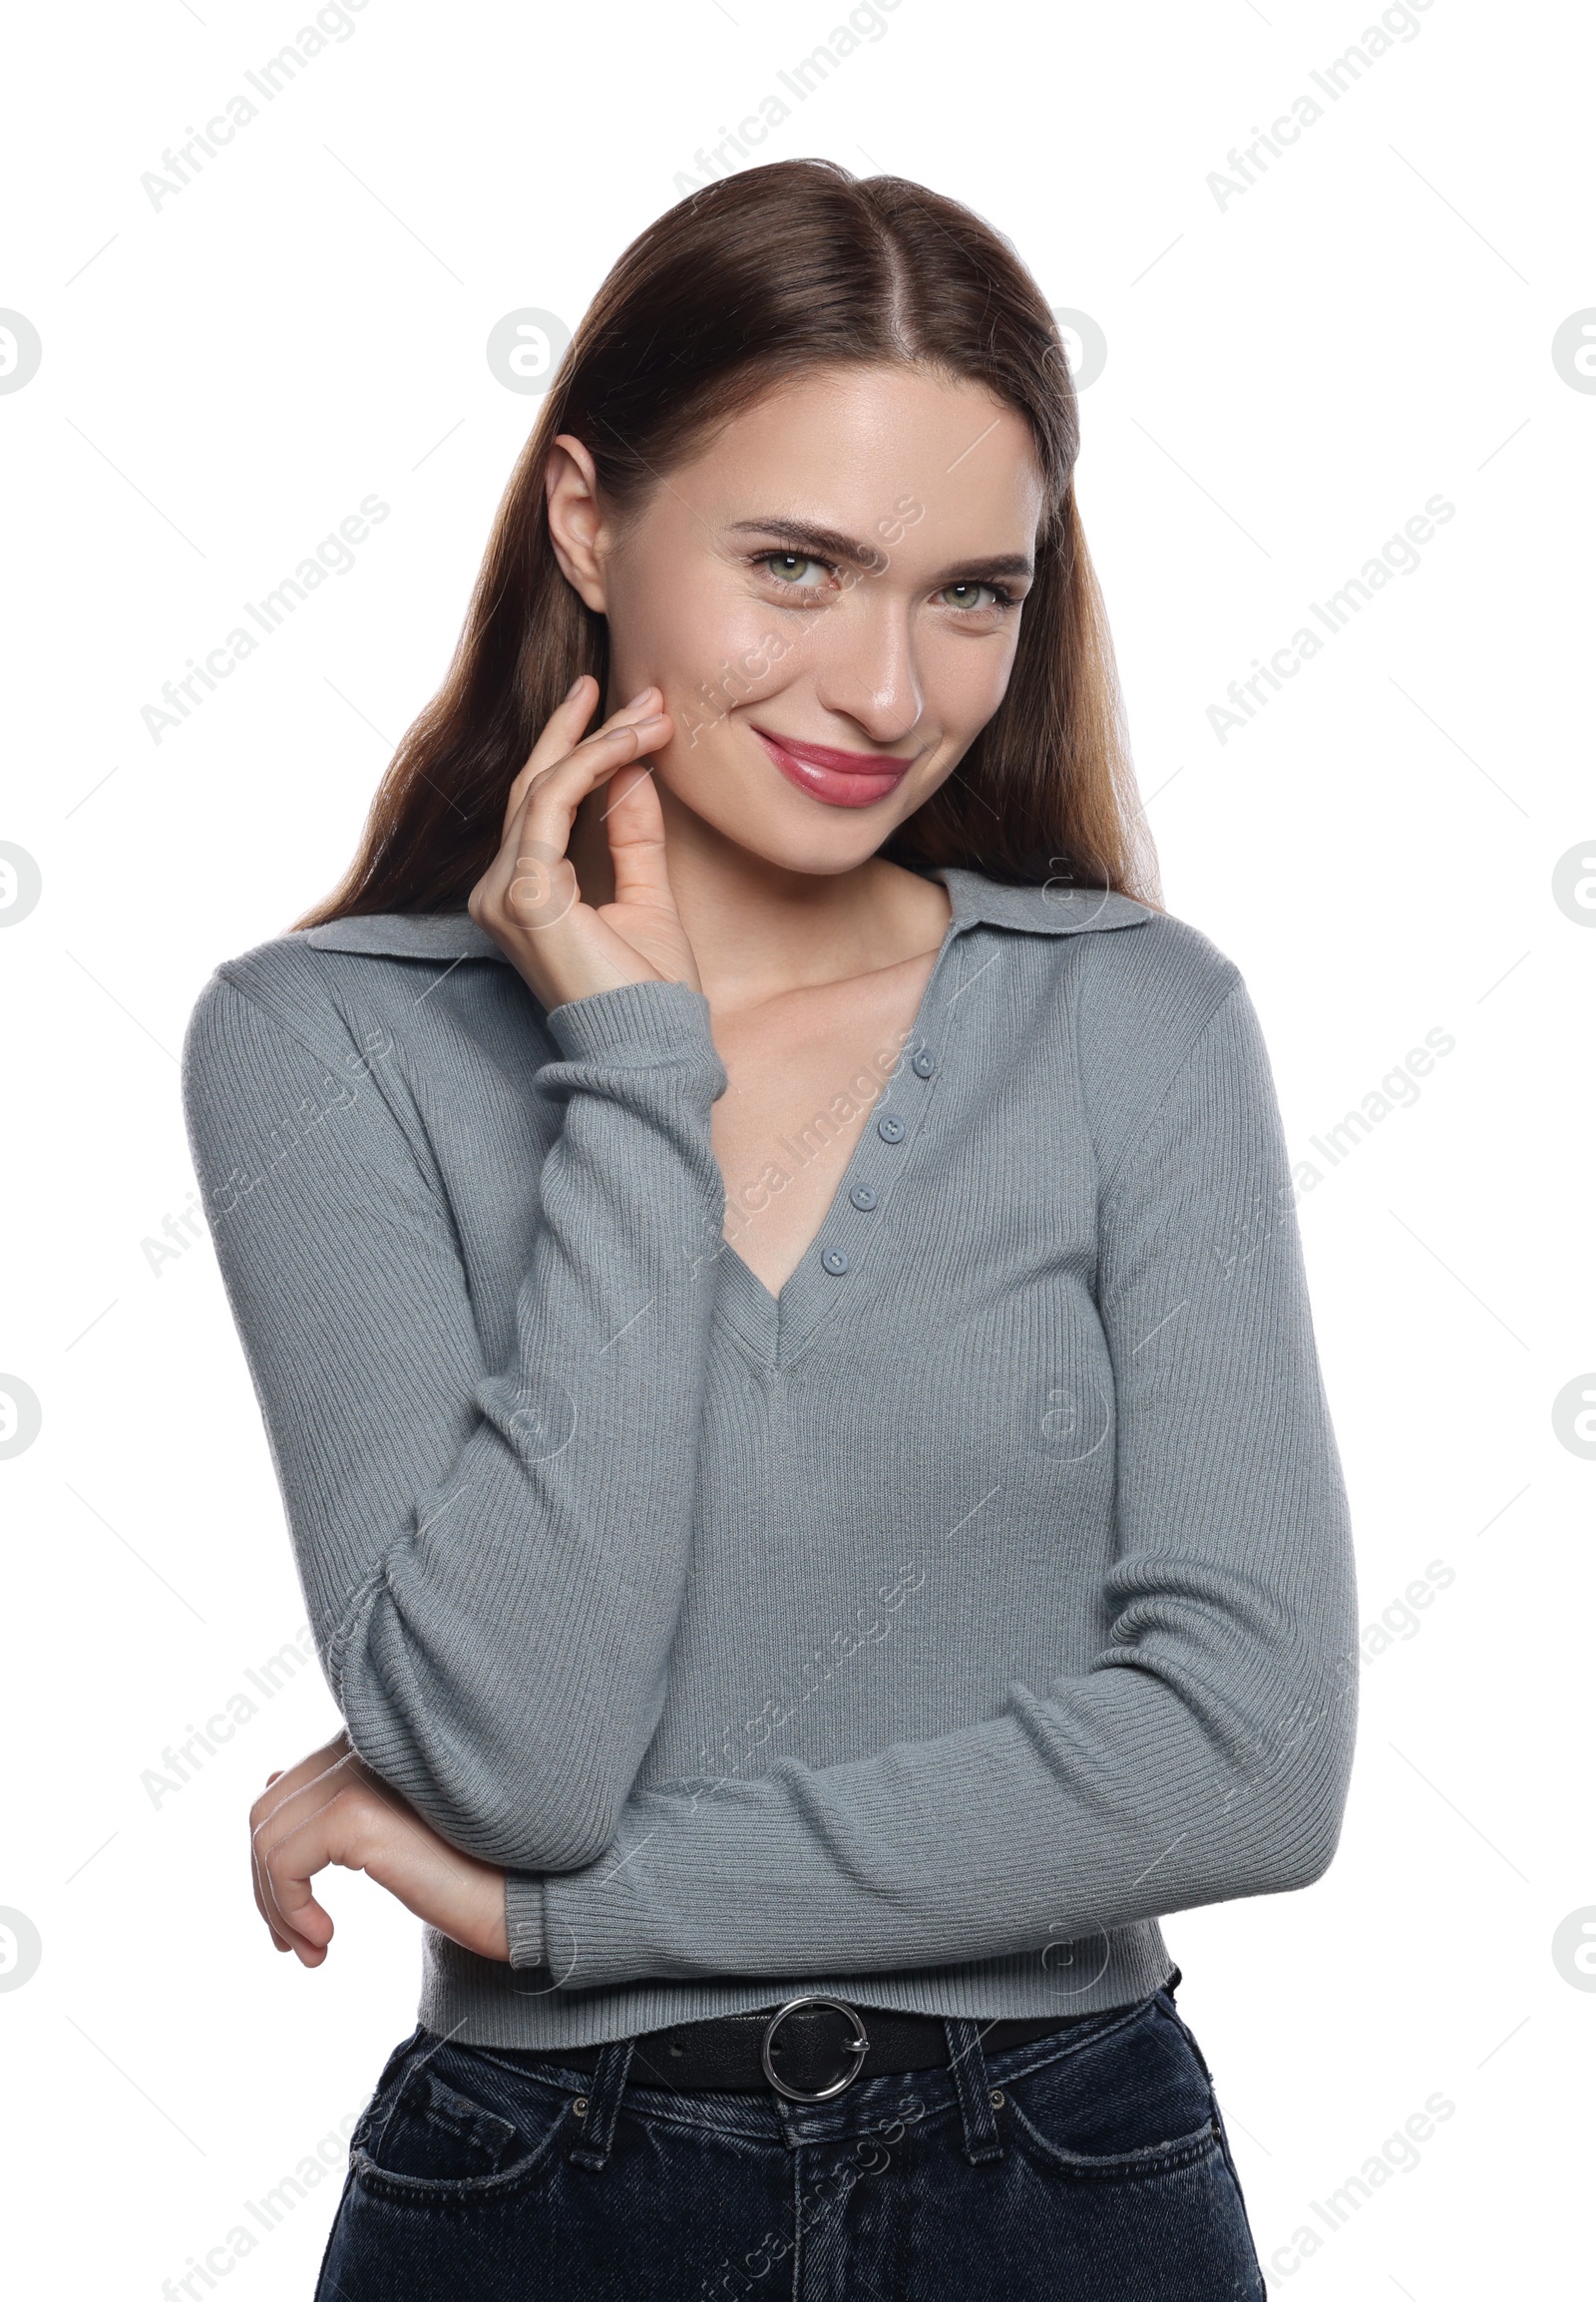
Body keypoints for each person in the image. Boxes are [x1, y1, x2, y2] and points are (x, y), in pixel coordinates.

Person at [182, 158, 1358, 2300]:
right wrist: (630, 1069)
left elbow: (1248, 1754)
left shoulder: (1133, 1021)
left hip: (1065, 2173)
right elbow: (515, 1750)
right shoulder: (320, 1043)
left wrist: (569, 1923)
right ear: (586, 518)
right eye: (795, 565)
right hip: (543, 2191)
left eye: (968, 593)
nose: (889, 690)